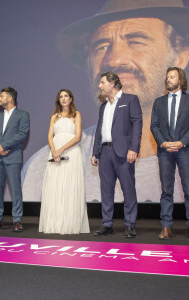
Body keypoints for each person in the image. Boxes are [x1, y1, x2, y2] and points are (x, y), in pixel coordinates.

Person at [22, 0, 189, 205]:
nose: (114, 59)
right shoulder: (44, 166)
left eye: (136, 40)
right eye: (101, 46)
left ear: (181, 57)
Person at [91, 72, 142, 238]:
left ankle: (129, 224)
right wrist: (95, 152)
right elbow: (99, 130)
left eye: (102, 82)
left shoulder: (130, 100)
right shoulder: (103, 106)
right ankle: (107, 224)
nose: (100, 86)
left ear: (112, 83)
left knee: (128, 188)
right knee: (106, 190)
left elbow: (137, 124)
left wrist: (133, 148)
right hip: (105, 152)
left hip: (123, 152)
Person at [39, 89, 89, 235]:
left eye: (66, 96)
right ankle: (54, 223)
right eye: (61, 96)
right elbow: (50, 136)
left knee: (70, 186)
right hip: (54, 154)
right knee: (55, 185)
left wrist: (61, 150)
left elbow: (78, 136)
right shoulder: (54, 117)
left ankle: (69, 224)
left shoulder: (76, 115)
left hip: (71, 153)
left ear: (71, 98)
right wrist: (54, 151)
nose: (63, 99)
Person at [151, 67, 189, 240]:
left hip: (184, 150)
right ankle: (166, 226)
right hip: (165, 151)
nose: (168, 80)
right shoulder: (159, 102)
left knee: (188, 189)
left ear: (180, 80)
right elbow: (154, 126)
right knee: (167, 190)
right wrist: (163, 142)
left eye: (172, 77)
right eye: (167, 77)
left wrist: (182, 142)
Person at [0, 87, 30, 232]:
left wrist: (3, 145)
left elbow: (22, 134)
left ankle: (17, 220)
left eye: (1, 96)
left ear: (10, 98)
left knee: (15, 189)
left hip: (13, 157)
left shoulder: (23, 115)